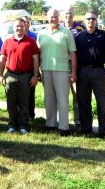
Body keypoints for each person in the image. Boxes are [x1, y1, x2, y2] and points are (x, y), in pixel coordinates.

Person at [37, 8, 77, 136]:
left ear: (58, 17)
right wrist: (37, 70)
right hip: (46, 69)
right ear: (47, 18)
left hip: (62, 70)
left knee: (62, 99)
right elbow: (37, 53)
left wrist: (74, 72)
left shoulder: (66, 32)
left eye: (55, 16)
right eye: (51, 17)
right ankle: (50, 124)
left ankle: (64, 127)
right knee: (49, 99)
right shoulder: (41, 34)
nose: (53, 19)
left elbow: (73, 53)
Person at [0, 18, 40, 134]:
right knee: (11, 102)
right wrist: (0, 75)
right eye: (17, 26)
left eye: (21, 26)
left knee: (24, 102)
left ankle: (23, 125)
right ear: (14, 27)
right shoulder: (7, 42)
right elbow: (2, 59)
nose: (19, 28)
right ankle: (12, 124)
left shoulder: (31, 41)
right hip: (10, 75)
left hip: (26, 76)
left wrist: (35, 75)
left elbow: (35, 59)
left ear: (25, 27)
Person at [75, 11, 105, 138]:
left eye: (93, 19)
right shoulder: (79, 36)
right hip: (83, 71)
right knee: (83, 102)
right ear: (84, 21)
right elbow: (75, 54)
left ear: (97, 20)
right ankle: (86, 128)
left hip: (99, 71)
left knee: (101, 102)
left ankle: (102, 130)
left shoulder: (104, 35)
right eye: (88, 19)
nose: (91, 21)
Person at [63, 5, 85, 126]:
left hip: (75, 63)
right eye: (66, 13)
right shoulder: (59, 27)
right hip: (62, 63)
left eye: (70, 13)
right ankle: (63, 118)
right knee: (62, 92)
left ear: (73, 15)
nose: (68, 16)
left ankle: (78, 120)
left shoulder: (80, 28)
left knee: (77, 93)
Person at [21, 15, 38, 120]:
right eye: (24, 22)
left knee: (30, 93)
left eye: (27, 22)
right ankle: (20, 114)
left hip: (31, 69)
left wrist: (37, 72)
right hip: (20, 69)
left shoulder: (34, 36)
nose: (26, 24)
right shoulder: (16, 35)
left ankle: (31, 115)